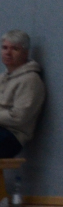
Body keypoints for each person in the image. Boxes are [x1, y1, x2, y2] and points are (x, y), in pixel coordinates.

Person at [0, 29, 44, 160]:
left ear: (25, 53)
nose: (8, 53)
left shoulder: (30, 80)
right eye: (4, 48)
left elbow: (18, 117)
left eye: (15, 49)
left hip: (10, 137)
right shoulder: (3, 78)